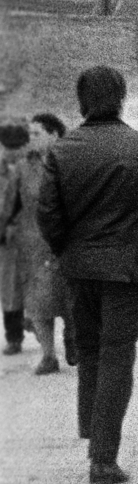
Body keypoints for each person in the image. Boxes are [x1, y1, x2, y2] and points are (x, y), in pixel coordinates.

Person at [37, 66, 138, 484]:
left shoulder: (63, 150)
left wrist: (66, 248)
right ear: (120, 98)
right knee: (118, 355)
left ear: (81, 100)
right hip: (124, 269)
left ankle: (92, 434)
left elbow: (47, 212)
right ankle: (103, 458)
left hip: (79, 269)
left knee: (90, 350)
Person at [0, 113, 77, 372]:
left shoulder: (72, 163)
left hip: (65, 242)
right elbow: (9, 205)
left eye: (35, 134)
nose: (29, 139)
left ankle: (73, 335)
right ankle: (48, 355)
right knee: (36, 304)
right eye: (29, 134)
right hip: (32, 244)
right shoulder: (23, 167)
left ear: (53, 134)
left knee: (69, 299)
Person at [1, 121, 30, 353]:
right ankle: (14, 336)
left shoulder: (33, 166)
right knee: (10, 289)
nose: (11, 150)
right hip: (6, 238)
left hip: (30, 235)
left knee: (31, 285)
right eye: (7, 146)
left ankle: (37, 324)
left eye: (16, 146)